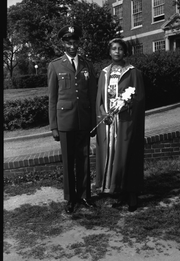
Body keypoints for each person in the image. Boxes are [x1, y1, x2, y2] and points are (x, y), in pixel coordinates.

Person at [47, 25, 97, 215]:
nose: (73, 45)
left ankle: (85, 195)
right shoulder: (55, 65)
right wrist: (54, 126)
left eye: (75, 42)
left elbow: (92, 96)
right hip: (65, 122)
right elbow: (52, 98)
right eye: (69, 42)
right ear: (63, 43)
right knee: (68, 161)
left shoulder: (87, 65)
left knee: (84, 159)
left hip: (84, 120)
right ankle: (70, 198)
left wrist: (93, 122)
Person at [95, 38, 145, 212]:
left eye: (120, 49)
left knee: (128, 155)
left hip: (126, 122)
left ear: (125, 52)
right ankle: (118, 190)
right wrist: (103, 114)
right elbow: (100, 99)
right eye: (113, 49)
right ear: (109, 52)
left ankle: (132, 193)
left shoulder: (133, 72)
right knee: (114, 156)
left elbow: (139, 99)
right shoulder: (104, 73)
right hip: (109, 123)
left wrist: (125, 105)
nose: (117, 52)